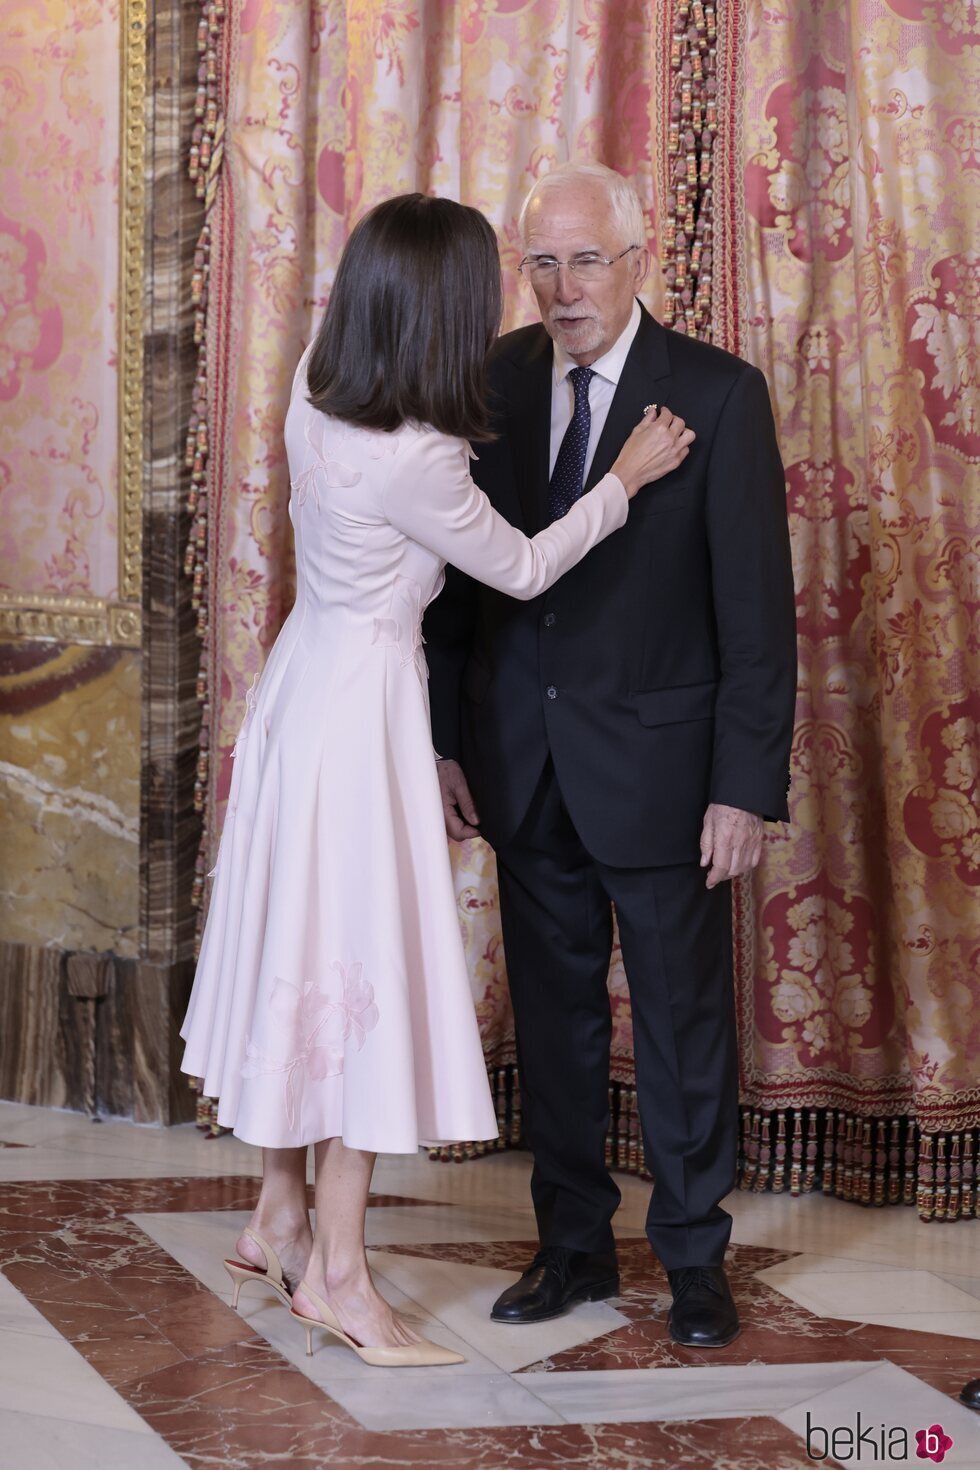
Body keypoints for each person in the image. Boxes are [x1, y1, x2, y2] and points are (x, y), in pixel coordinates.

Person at [179, 191, 695, 1367]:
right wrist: (622, 478)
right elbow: (518, 567)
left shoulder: (321, 376)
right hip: (360, 714)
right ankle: (342, 1280)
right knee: (354, 965)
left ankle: (277, 1215)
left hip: (300, 685)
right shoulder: (415, 459)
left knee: (294, 952)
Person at [424, 162, 797, 1349]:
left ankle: (693, 1260)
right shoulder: (486, 384)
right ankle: (572, 1249)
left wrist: (743, 786)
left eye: (585, 259)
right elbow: (448, 595)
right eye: (540, 261)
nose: (561, 286)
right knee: (554, 1025)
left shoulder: (716, 394)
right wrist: (443, 741)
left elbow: (755, 614)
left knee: (685, 1030)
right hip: (520, 766)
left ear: (638, 261)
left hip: (664, 778)